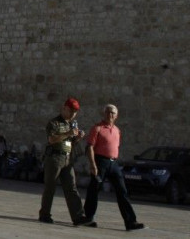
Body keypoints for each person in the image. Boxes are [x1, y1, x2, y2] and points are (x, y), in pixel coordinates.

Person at [84, 104, 144, 231]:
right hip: (100, 162)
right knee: (94, 190)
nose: (110, 115)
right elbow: (89, 147)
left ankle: (130, 222)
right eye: (108, 112)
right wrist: (92, 164)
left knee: (122, 191)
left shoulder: (117, 130)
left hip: (114, 164)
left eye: (112, 113)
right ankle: (88, 218)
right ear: (104, 113)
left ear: (116, 116)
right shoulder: (97, 128)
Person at [38, 97, 93, 226]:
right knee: (50, 187)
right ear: (64, 109)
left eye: (75, 112)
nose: (72, 114)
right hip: (54, 158)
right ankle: (45, 214)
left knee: (71, 187)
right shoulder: (54, 123)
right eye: (70, 111)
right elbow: (52, 139)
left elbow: (70, 143)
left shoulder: (71, 124)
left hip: (67, 158)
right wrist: (69, 133)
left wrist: (77, 138)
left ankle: (78, 216)